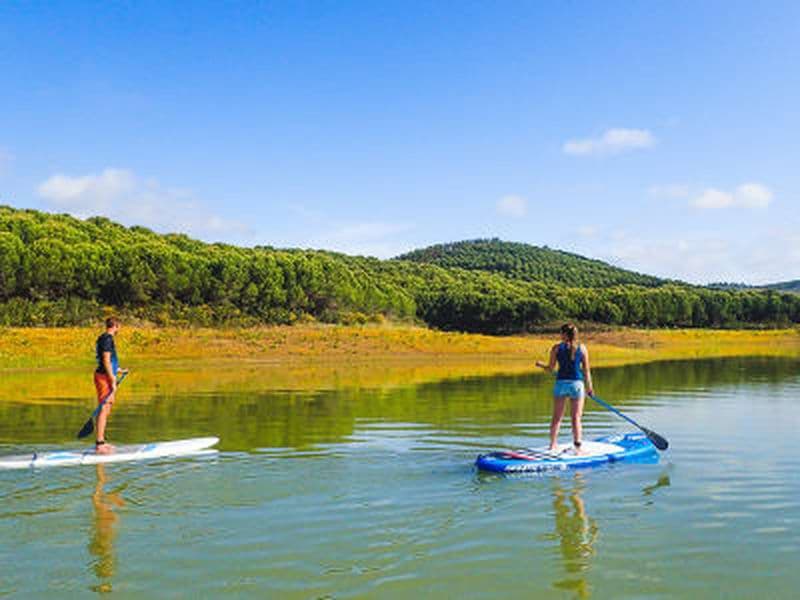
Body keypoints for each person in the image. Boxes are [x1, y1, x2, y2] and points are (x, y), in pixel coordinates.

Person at [536, 323, 594, 454]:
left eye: (560, 333)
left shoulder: (556, 348)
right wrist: (590, 388)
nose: (559, 335)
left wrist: (541, 365)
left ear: (564, 334)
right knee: (576, 418)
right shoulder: (583, 348)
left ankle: (552, 445)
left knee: (557, 417)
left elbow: (551, 368)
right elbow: (586, 371)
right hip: (577, 385)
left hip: (561, 384)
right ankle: (578, 447)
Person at [94, 317, 123, 454]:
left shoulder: (104, 338)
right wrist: (112, 379)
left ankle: (102, 441)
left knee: (108, 407)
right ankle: (100, 444)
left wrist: (118, 370)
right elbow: (105, 360)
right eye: (119, 326)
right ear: (116, 326)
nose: (120, 329)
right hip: (104, 377)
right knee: (104, 408)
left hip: (106, 375)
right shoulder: (107, 339)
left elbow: (107, 361)